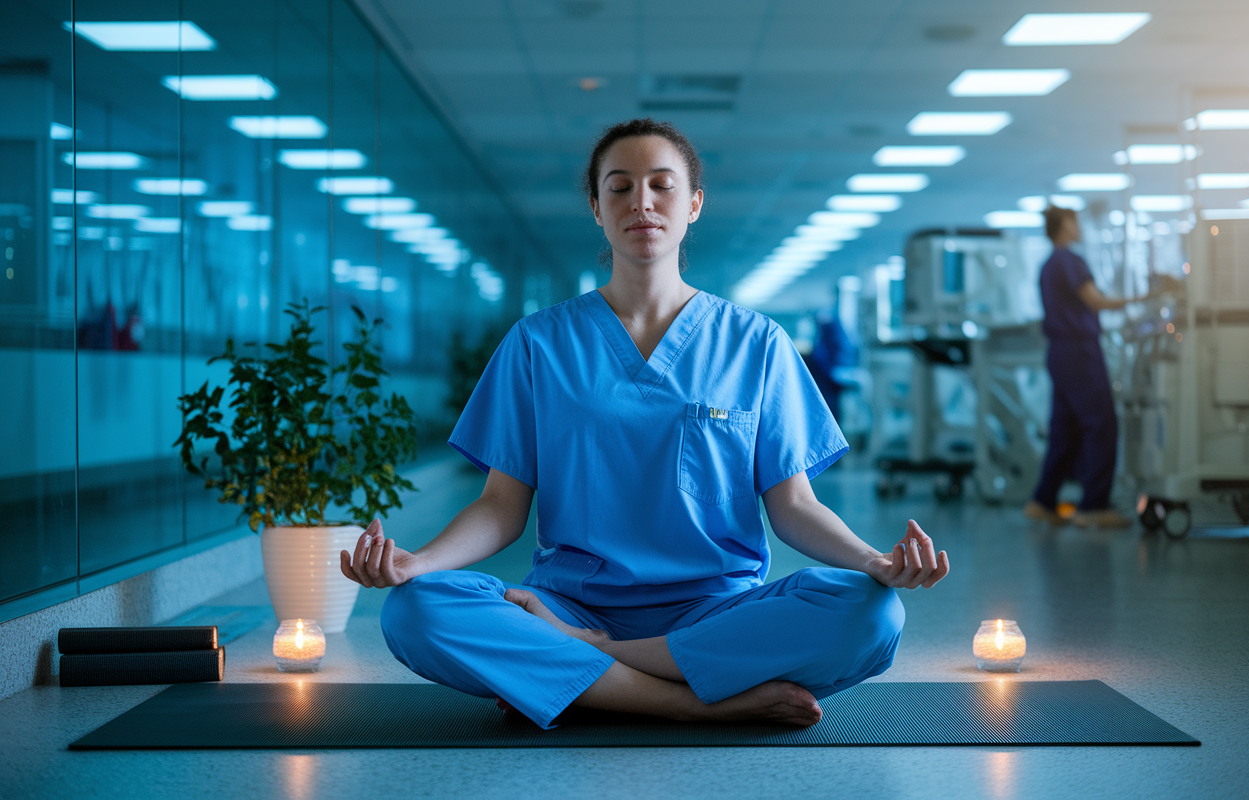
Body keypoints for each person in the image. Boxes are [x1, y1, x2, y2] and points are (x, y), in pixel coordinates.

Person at [341, 118, 949, 730]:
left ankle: (592, 670)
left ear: (693, 206)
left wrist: (873, 560)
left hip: (717, 610)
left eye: (662, 185)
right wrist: (418, 563)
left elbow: (793, 505)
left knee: (871, 613)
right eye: (620, 187)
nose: (643, 203)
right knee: (416, 610)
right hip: (567, 601)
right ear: (596, 208)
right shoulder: (537, 343)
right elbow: (501, 506)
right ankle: (686, 701)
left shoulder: (756, 343)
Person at [1023, 206, 1136, 528]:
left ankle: (1043, 501)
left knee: (1064, 428)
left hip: (1059, 353)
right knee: (1101, 425)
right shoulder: (1070, 261)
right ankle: (1093, 506)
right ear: (1065, 225)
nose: (1080, 226)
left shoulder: (1048, 265)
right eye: (1075, 220)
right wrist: (1147, 297)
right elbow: (1096, 301)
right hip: (1080, 352)